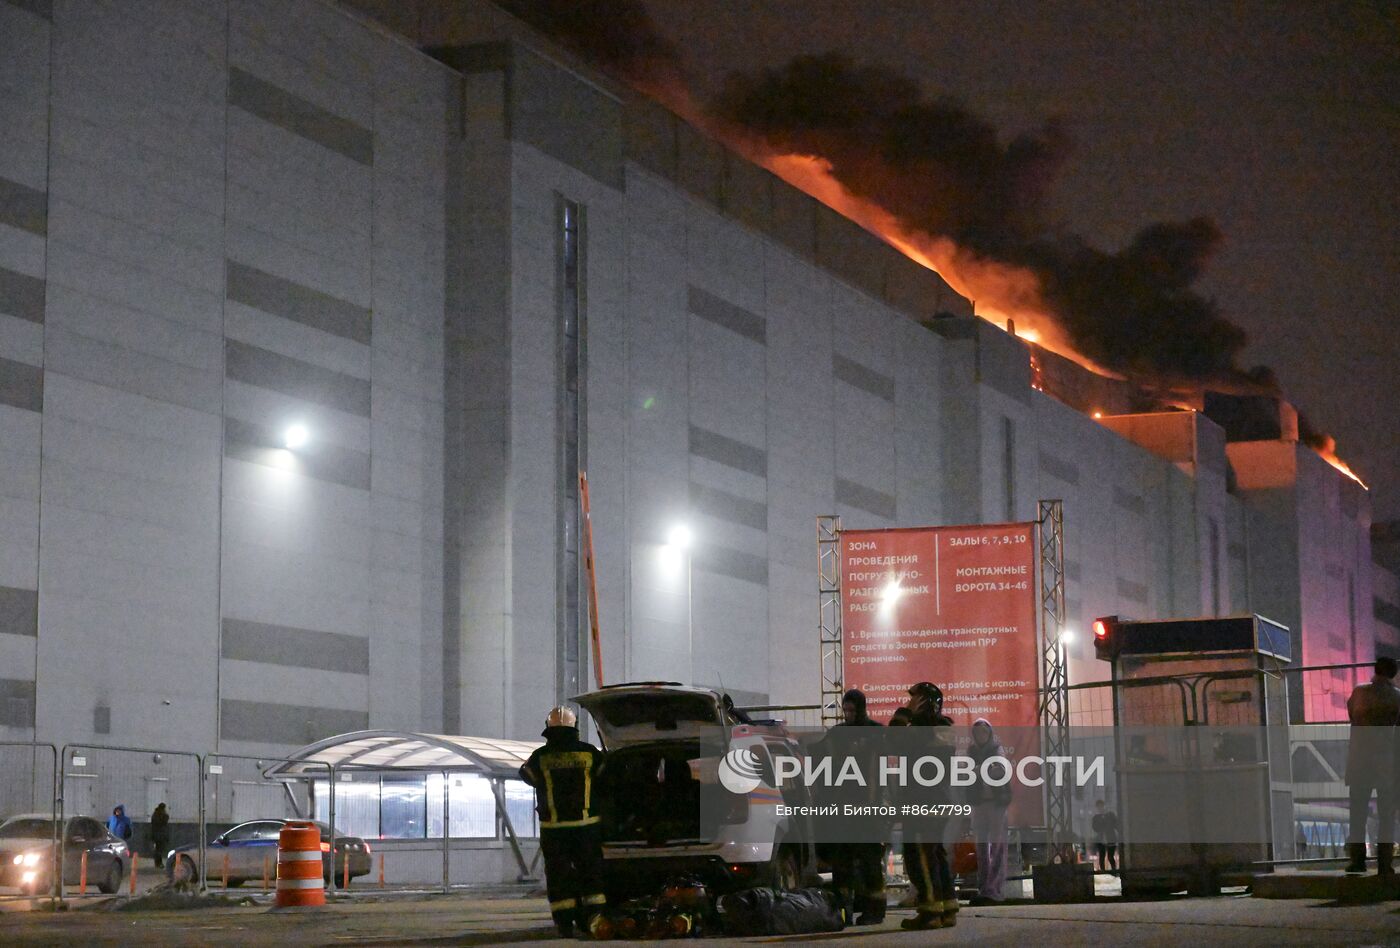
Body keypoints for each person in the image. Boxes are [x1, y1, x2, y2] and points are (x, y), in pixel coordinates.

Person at [520, 706, 608, 938]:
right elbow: (606, 778)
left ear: (548, 728)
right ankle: (594, 919)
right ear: (575, 727)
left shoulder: (540, 756)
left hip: (554, 829)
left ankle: (564, 924)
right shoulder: (589, 753)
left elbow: (526, 774)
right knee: (590, 873)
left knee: (559, 876)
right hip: (587, 827)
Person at [901, 681, 958, 931]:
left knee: (920, 855)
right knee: (935, 854)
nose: (910, 702)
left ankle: (930, 911)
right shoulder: (941, 728)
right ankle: (947, 908)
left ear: (925, 702)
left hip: (923, 800)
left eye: (915, 699)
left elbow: (892, 741)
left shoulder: (923, 729)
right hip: (937, 799)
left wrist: (904, 714)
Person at [827, 688, 886, 925]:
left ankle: (875, 909)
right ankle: (844, 910)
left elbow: (879, 772)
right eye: (846, 710)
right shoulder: (837, 734)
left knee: (870, 860)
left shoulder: (874, 732)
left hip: (868, 806)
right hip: (844, 806)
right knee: (843, 862)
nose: (848, 714)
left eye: (852, 710)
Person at [1344, 656, 1400, 875]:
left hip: (1358, 761)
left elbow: (1351, 715)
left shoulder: (1358, 693)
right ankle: (1384, 863)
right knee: (1387, 814)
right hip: (1387, 764)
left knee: (1357, 813)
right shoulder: (1397, 697)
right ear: (1394, 674)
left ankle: (1357, 861)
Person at [966, 718, 1012, 903]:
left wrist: (979, 770)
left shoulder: (996, 750)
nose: (981, 736)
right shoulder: (972, 752)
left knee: (997, 847)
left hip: (996, 803)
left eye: (984, 732)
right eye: (977, 733)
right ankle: (984, 887)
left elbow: (999, 771)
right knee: (981, 848)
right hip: (979, 803)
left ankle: (995, 889)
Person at [1091, 800, 1119, 874]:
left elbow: (1116, 824)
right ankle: (1104, 872)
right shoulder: (1096, 817)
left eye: (1101, 806)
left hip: (1110, 838)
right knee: (1102, 857)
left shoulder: (1110, 815)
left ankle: (1113, 871)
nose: (1100, 808)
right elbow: (1095, 828)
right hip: (1102, 839)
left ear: (1104, 806)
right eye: (1098, 807)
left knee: (1110, 857)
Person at [150, 803, 170, 868]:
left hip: (156, 835)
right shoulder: (161, 815)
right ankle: (159, 863)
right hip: (160, 835)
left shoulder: (155, 814)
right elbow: (164, 823)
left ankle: (157, 863)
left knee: (158, 849)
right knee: (159, 850)